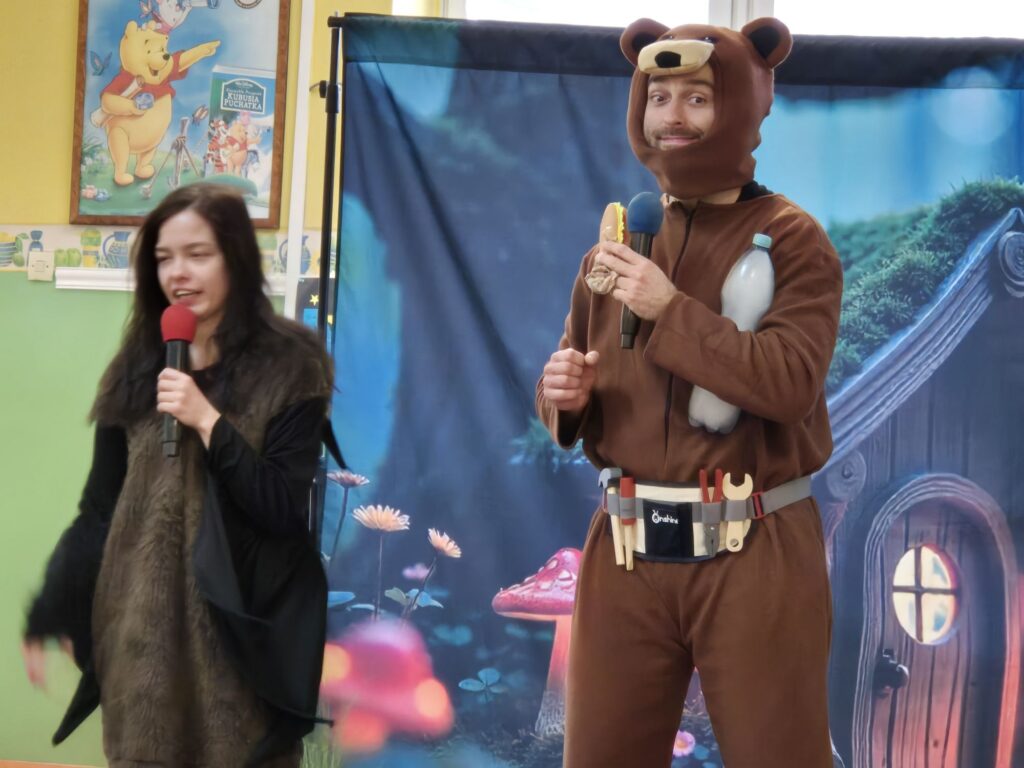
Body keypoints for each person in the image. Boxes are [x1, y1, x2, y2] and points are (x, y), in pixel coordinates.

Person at [537, 17, 843, 768]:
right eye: (658, 97)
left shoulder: (794, 238)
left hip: (753, 546)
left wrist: (668, 309)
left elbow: (789, 383)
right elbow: (576, 370)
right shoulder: (618, 240)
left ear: (742, 106)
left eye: (698, 98)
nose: (672, 117)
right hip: (626, 550)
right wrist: (562, 396)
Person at [22, 184, 335, 767]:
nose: (178, 273)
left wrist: (207, 420)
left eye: (198, 254)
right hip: (143, 642)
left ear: (235, 257)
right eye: (164, 258)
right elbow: (99, 509)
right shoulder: (137, 368)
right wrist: (52, 603)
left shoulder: (292, 366)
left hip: (242, 648)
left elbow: (279, 507)